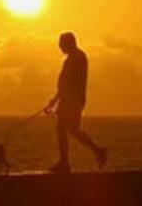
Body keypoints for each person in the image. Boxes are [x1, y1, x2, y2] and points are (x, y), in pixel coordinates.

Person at [43, 32, 107, 173]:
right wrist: (55, 101)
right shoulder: (76, 58)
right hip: (72, 100)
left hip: (72, 101)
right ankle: (95, 151)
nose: (60, 47)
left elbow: (68, 83)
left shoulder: (76, 58)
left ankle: (66, 162)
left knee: (64, 129)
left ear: (68, 43)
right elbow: (65, 83)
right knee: (71, 129)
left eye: (61, 44)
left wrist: (55, 101)